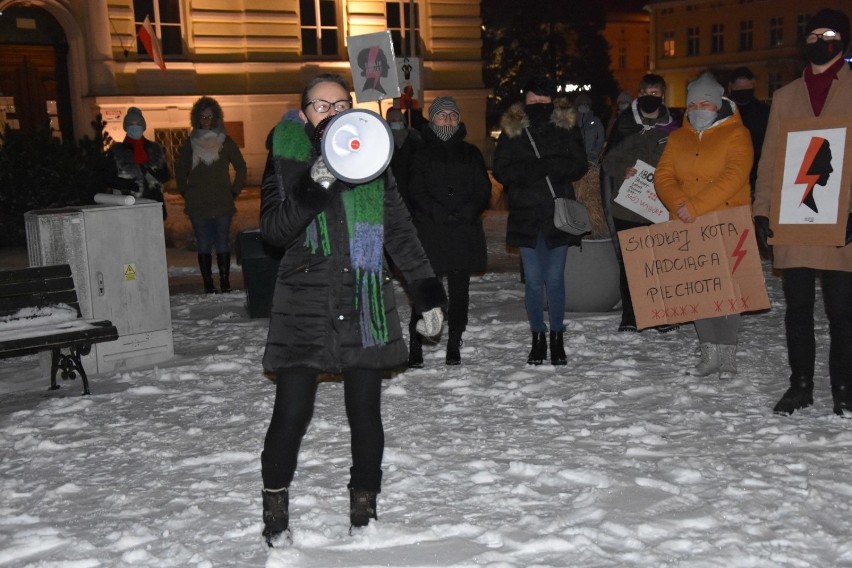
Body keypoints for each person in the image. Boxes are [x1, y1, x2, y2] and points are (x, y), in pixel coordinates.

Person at [258, 73, 447, 545]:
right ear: (304, 115)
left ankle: (365, 501)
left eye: (341, 104)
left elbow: (400, 231)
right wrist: (315, 183)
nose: (332, 112)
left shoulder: (373, 160)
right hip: (305, 304)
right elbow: (275, 232)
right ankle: (275, 503)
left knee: (365, 413)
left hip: (363, 301)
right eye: (321, 106)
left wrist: (426, 291)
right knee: (291, 413)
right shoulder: (285, 159)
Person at [753, 9, 852, 416]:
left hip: (840, 220)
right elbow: (771, 158)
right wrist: (761, 209)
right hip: (795, 215)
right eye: (812, 34)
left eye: (828, 34)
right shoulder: (786, 95)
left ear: (843, 39)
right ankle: (801, 384)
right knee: (797, 309)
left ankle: (844, 387)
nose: (819, 41)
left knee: (842, 310)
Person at [654, 72, 753, 380]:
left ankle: (727, 352)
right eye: (693, 103)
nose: (698, 109)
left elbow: (734, 176)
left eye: (705, 103)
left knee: (728, 291)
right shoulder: (677, 137)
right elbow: (663, 176)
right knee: (698, 291)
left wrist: (693, 207)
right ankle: (708, 351)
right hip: (687, 225)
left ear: (719, 104)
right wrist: (678, 204)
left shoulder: (737, 134)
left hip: (726, 222)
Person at [493, 76, 588, 366]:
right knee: (534, 281)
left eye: (542, 100)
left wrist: (551, 165)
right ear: (525, 99)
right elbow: (500, 169)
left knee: (555, 279)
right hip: (526, 213)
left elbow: (579, 164)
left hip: (557, 213)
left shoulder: (565, 124)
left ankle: (557, 336)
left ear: (552, 101)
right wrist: (529, 170)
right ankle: (538, 336)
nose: (537, 104)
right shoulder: (514, 127)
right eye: (532, 99)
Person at [406, 97, 492, 367]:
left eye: (452, 116)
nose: (447, 121)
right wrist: (439, 212)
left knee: (459, 293)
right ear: (432, 120)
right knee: (427, 291)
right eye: (441, 116)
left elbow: (482, 189)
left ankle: (454, 341)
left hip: (463, 232)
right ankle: (416, 344)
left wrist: (466, 212)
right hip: (432, 231)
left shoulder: (470, 153)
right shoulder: (420, 153)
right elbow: (415, 190)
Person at [602, 74, 680, 333]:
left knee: (660, 263)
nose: (650, 96)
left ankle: (660, 314)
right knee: (631, 264)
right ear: (638, 93)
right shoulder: (625, 124)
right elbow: (608, 160)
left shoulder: (673, 129)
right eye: (645, 91)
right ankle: (630, 315)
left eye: (655, 93)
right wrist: (623, 170)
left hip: (660, 206)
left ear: (662, 96)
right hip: (629, 205)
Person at [175, 96, 247, 294]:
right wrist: (184, 190)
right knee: (204, 242)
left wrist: (234, 190)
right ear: (196, 118)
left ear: (216, 118)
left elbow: (241, 167)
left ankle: (225, 282)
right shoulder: (190, 143)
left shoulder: (226, 141)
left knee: (222, 241)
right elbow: (180, 168)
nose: (206, 120)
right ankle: (208, 283)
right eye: (202, 116)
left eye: (210, 116)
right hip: (198, 203)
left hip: (222, 201)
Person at [104, 107, 170, 218]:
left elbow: (166, 175)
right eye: (131, 124)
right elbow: (107, 178)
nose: (135, 127)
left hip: (153, 204)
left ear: (143, 126)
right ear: (126, 127)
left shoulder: (154, 148)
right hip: (128, 205)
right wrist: (125, 184)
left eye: (138, 124)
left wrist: (158, 176)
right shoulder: (117, 151)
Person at [727, 67, 770, 200]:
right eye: (739, 89)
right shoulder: (723, 111)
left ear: (753, 85)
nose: (743, 93)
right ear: (731, 87)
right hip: (728, 175)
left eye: (747, 88)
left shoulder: (764, 112)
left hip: (756, 177)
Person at [385, 106, 422, 209]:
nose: (397, 123)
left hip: (413, 191)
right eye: (393, 120)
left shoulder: (414, 140)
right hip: (392, 192)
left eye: (399, 120)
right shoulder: (384, 143)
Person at [574, 93, 605, 164]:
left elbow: (601, 138)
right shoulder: (572, 121)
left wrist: (594, 153)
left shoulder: (596, 121)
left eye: (586, 104)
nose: (584, 105)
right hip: (576, 159)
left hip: (591, 159)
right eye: (581, 103)